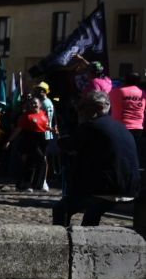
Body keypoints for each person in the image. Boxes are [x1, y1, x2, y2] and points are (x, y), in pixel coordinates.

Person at [53, 90, 140, 227]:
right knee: (92, 214)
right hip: (130, 187)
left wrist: (63, 137)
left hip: (107, 188)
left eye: (83, 107)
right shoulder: (120, 126)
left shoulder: (91, 126)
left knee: (61, 208)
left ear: (98, 108)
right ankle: (88, 239)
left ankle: (60, 243)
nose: (80, 111)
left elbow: (70, 145)